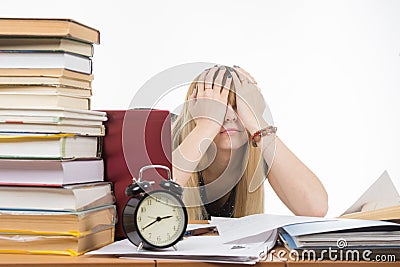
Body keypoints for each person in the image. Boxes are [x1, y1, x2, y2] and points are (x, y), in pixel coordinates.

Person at [171, 65, 328, 220]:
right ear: (196, 109)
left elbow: (315, 208)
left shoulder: (259, 147)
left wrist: (257, 123)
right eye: (218, 106)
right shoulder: (167, 138)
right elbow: (154, 197)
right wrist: (207, 125)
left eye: (238, 106)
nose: (230, 116)